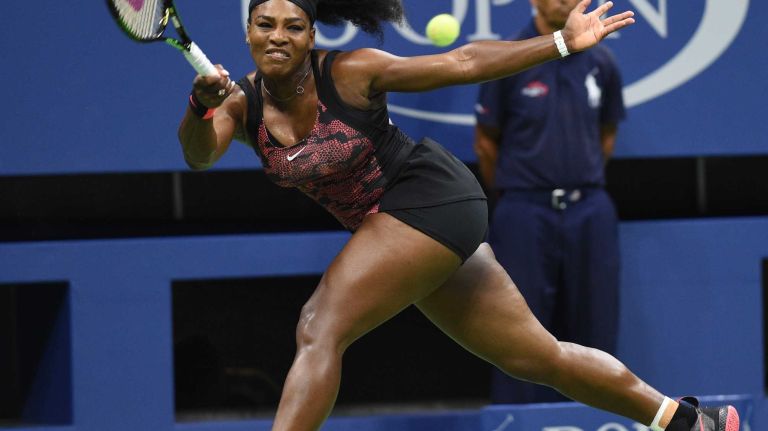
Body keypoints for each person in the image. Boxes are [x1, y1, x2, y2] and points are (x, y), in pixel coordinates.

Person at [177, 0, 739, 430]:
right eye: (266, 24)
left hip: (426, 197)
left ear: (311, 35)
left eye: (293, 26)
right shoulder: (237, 103)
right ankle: (688, 420)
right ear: (247, 32)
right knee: (536, 356)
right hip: (402, 232)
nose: (278, 36)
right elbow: (199, 155)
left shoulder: (349, 72)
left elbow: (462, 60)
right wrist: (200, 105)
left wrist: (560, 43)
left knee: (318, 327)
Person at [473, 0, 624, 404]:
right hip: (523, 212)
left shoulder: (602, 62)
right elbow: (486, 143)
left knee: (597, 329)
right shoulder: (509, 59)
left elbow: (606, 134)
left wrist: (574, 184)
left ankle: (596, 421)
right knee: (517, 333)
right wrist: (523, 192)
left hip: (590, 209)